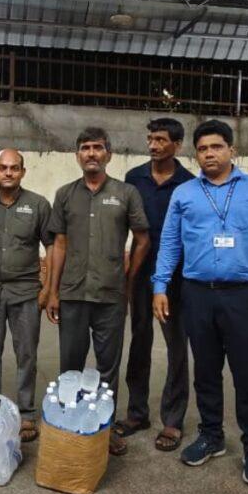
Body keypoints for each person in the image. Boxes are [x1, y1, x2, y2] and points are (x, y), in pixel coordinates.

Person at [153, 119, 248, 486]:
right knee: (206, 371)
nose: (210, 154)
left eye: (217, 147)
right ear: (195, 153)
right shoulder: (184, 194)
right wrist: (160, 285)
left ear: (232, 150)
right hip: (196, 294)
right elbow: (170, 243)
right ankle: (211, 436)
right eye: (203, 149)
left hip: (241, 296)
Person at [45, 126, 150, 456]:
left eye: (97, 148)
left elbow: (142, 238)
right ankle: (68, 425)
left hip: (110, 296)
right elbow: (58, 244)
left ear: (109, 154)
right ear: (77, 155)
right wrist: (52, 291)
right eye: (85, 148)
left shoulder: (126, 193)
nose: (91, 153)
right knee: (70, 366)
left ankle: (104, 430)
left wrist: (128, 277)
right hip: (73, 293)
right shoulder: (64, 194)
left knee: (107, 366)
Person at [0, 149, 54, 443]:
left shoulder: (38, 205)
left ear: (22, 172)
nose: (8, 173)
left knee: (26, 354)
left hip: (26, 293)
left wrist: (48, 288)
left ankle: (27, 414)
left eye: (14, 168)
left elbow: (52, 248)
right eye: (2, 168)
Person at [117, 118, 193, 452]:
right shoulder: (133, 178)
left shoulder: (189, 183)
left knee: (176, 345)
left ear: (177, 145)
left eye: (161, 140)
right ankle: (137, 413)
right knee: (139, 340)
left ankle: (173, 421)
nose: (153, 145)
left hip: (178, 274)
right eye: (150, 139)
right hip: (140, 269)